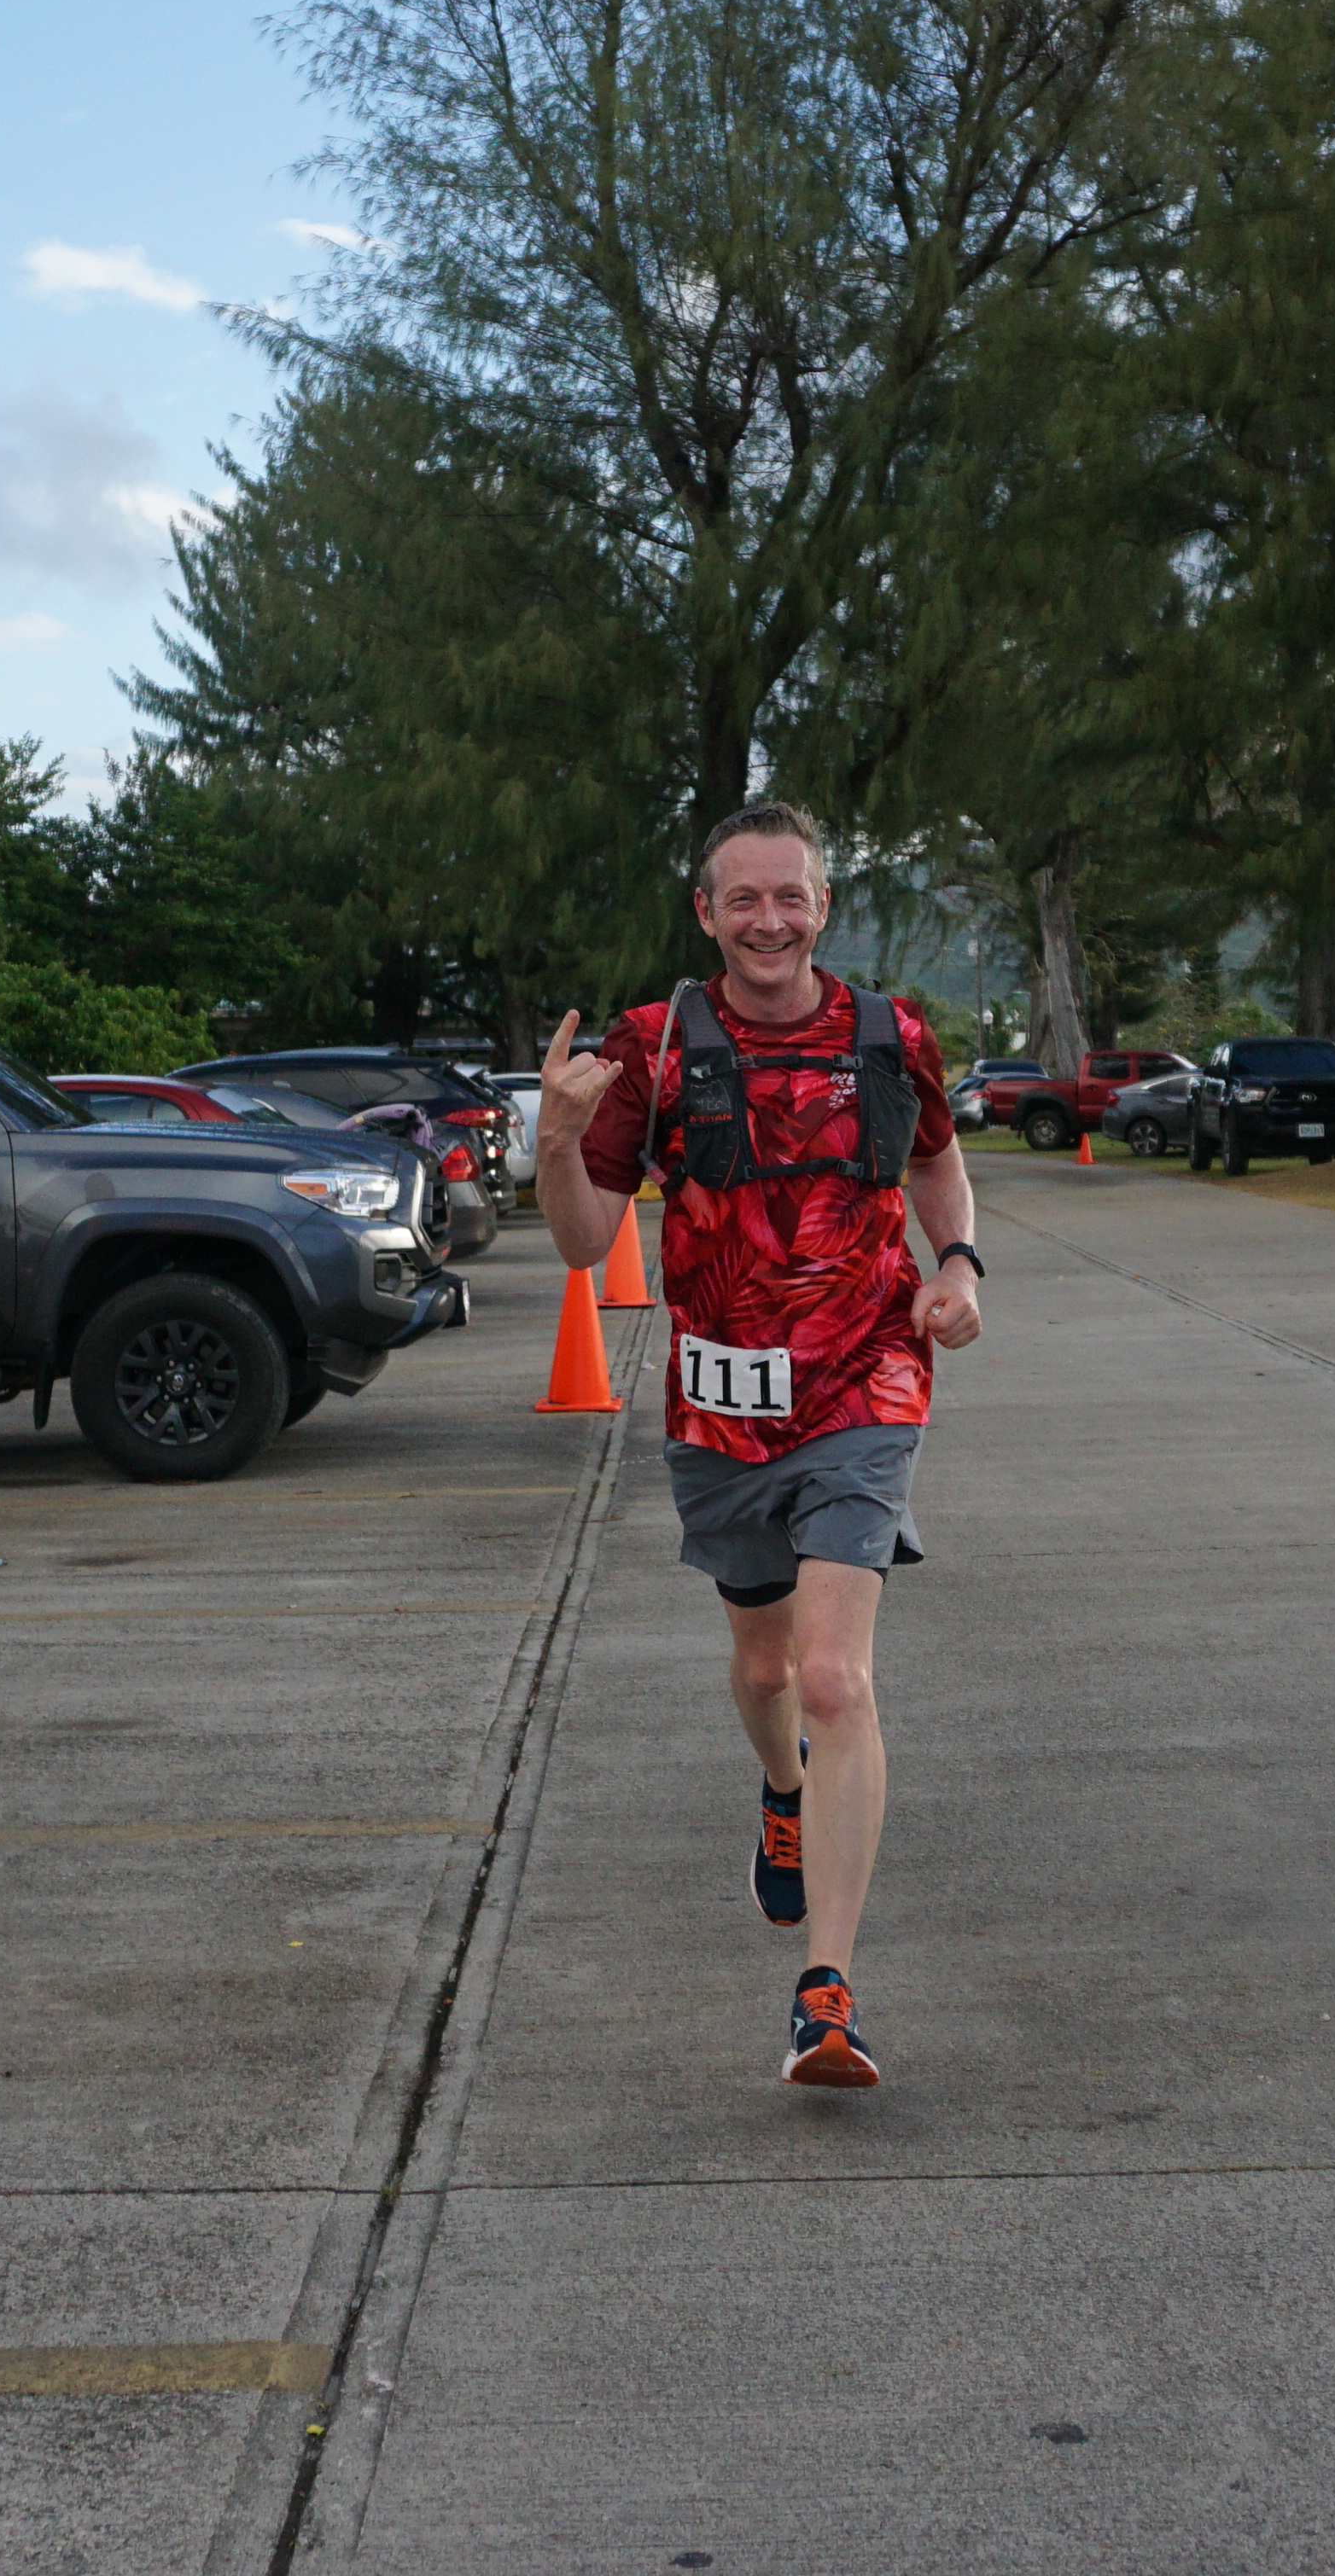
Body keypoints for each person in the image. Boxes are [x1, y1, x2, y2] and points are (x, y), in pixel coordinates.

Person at [534, 801, 986, 2091]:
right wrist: (557, 1138)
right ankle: (780, 1795)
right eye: (746, 899)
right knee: (765, 1667)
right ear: (707, 913)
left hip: (864, 1385)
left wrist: (955, 1262)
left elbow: (939, 1172)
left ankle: (825, 1997)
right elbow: (580, 1242)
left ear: (824, 905)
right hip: (722, 1408)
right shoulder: (652, 1047)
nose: (771, 919)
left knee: (839, 1676)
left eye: (792, 896)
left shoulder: (891, 1036)